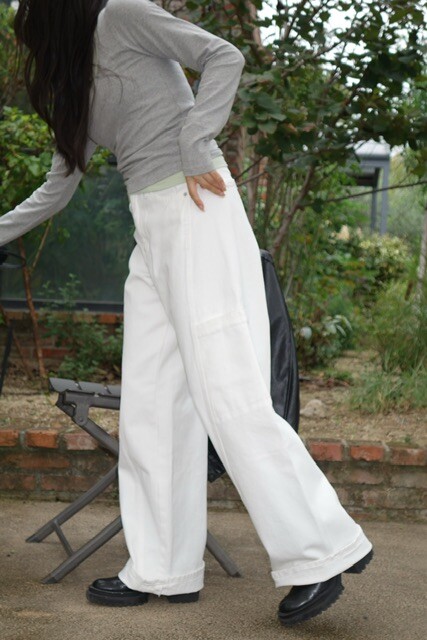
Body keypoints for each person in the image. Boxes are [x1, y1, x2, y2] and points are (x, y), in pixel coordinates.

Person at [1, 0, 373, 627]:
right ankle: (163, 569)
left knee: (228, 392)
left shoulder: (121, 16)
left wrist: (196, 139)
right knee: (152, 406)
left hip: (197, 206)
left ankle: (321, 552)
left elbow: (222, 56)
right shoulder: (77, 76)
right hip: (151, 229)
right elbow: (58, 185)